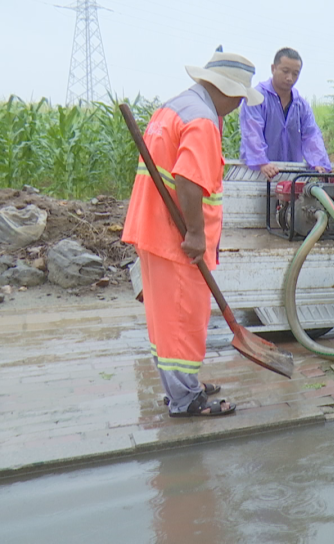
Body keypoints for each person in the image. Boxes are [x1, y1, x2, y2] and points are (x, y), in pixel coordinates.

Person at [123, 50, 264, 417]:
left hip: (152, 228)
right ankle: (186, 401)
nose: (237, 106)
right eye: (238, 97)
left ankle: (181, 387)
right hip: (175, 238)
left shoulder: (175, 107)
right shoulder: (202, 120)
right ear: (227, 91)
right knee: (183, 319)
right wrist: (197, 236)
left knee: (166, 318)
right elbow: (187, 179)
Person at [239, 47, 331, 179]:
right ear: (273, 68)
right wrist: (262, 162)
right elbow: (252, 132)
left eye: (295, 73)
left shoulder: (301, 105)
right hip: (257, 174)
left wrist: (318, 163)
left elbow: (311, 135)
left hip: (291, 176)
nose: (290, 78)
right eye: (285, 71)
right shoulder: (256, 98)